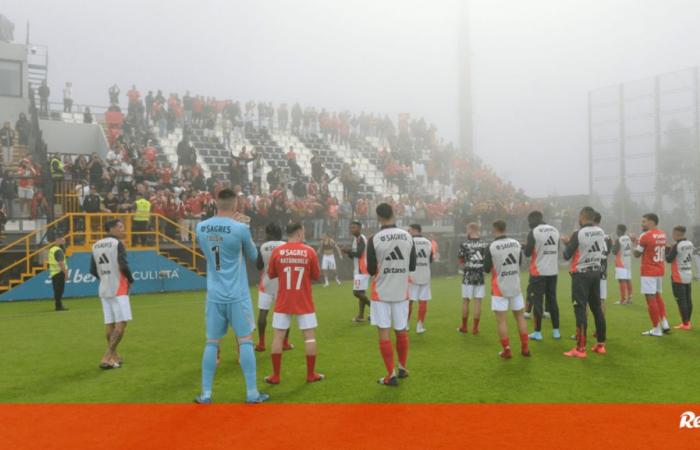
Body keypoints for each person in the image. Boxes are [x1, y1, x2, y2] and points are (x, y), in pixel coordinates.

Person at [194, 188, 268, 404]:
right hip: (237, 294)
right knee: (245, 341)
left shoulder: (201, 227)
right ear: (235, 204)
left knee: (211, 343)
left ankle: (206, 394)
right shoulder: (240, 228)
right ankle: (252, 393)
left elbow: (208, 253)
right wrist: (245, 230)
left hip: (214, 294)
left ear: (216, 203)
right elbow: (255, 258)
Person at [264, 222, 324, 384]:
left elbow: (271, 274)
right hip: (304, 300)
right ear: (299, 232)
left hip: (283, 300)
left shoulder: (277, 251)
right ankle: (311, 374)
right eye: (303, 231)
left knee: (278, 337)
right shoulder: (309, 251)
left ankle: (275, 376)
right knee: (309, 337)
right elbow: (316, 275)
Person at [366, 203, 416, 386]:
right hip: (401, 291)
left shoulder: (374, 239)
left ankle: (390, 374)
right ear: (393, 214)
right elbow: (412, 266)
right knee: (401, 330)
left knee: (384, 334)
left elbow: (371, 269)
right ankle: (402, 367)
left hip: (381, 292)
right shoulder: (407, 236)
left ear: (378, 217)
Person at [562, 206, 607, 358]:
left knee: (580, 309)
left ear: (582, 216)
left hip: (581, 274)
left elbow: (567, 255)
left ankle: (580, 349)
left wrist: (567, 243)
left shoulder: (578, 233)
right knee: (597, 309)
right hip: (596, 272)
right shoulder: (601, 231)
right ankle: (601, 345)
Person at [89, 219, 134, 369]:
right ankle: (107, 356)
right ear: (112, 228)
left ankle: (114, 355)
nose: (123, 230)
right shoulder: (117, 244)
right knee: (121, 323)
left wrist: (104, 277)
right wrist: (130, 279)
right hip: (119, 287)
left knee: (110, 322)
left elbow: (92, 270)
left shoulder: (95, 245)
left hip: (104, 288)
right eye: (121, 227)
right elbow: (123, 264)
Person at [483, 220, 530, 359]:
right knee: (520, 317)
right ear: (505, 228)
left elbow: (486, 269)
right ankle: (525, 348)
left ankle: (507, 349)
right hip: (515, 286)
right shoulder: (516, 243)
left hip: (499, 288)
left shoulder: (491, 246)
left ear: (494, 229)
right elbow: (519, 263)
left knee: (501, 321)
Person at [522, 211, 561, 341]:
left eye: (529, 221)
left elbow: (528, 253)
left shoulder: (534, 232)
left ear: (533, 220)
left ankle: (537, 333)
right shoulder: (555, 230)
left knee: (538, 301)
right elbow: (557, 248)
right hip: (553, 271)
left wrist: (524, 246)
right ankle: (556, 332)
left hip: (538, 272)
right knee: (552, 300)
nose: (529, 224)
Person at [254, 223, 291, 352]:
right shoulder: (285, 246)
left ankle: (262, 343)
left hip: (266, 283)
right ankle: (285, 343)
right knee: (284, 313)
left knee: (263, 312)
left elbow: (259, 266)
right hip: (282, 285)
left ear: (269, 233)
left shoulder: (264, 246)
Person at [634, 213, 670, 336]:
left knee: (650, 299)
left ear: (651, 222)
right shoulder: (662, 234)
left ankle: (656, 328)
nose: (642, 224)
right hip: (659, 269)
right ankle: (664, 322)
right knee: (657, 295)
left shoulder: (645, 235)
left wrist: (635, 241)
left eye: (644, 221)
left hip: (648, 270)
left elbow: (637, 254)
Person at [457, 222, 488, 334]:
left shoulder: (464, 244)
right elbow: (487, 261)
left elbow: (460, 260)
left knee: (466, 300)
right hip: (480, 276)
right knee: (478, 301)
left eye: (467, 229)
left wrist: (466, 264)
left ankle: (464, 327)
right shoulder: (485, 244)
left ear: (470, 229)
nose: (466, 232)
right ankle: (475, 328)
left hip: (468, 275)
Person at [342, 221, 371, 322]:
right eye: (351, 227)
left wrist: (348, 251)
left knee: (356, 292)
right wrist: (348, 252)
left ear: (359, 228)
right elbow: (355, 255)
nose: (352, 229)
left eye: (354, 227)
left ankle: (374, 308)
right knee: (361, 293)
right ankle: (361, 316)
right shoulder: (356, 239)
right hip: (358, 269)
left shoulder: (361, 238)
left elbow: (359, 253)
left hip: (362, 270)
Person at [666, 226, 693, 330]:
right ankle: (688, 321)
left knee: (681, 300)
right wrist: (670, 248)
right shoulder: (690, 243)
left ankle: (685, 324)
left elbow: (669, 259)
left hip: (678, 276)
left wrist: (666, 249)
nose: (672, 235)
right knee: (688, 299)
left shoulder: (676, 245)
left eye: (673, 233)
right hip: (688, 273)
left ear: (676, 233)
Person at [407, 224, 433, 334]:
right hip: (425, 274)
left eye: (410, 230)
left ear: (414, 230)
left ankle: (405, 324)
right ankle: (419, 326)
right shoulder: (428, 242)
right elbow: (430, 259)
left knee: (409, 301)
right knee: (423, 301)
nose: (408, 231)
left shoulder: (409, 241)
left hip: (412, 275)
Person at [612, 224, 633, 305]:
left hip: (620, 262)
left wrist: (613, 244)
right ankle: (630, 298)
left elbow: (614, 252)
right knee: (628, 279)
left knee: (621, 280)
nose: (616, 231)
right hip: (628, 262)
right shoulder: (628, 238)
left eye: (617, 230)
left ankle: (623, 300)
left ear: (620, 230)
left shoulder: (619, 239)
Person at [48, 234, 69, 311]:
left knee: (57, 290)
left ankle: (58, 305)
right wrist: (66, 273)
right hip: (59, 272)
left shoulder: (52, 249)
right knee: (59, 291)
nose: (64, 242)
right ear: (58, 240)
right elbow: (61, 262)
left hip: (54, 273)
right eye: (62, 240)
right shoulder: (58, 250)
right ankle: (58, 306)